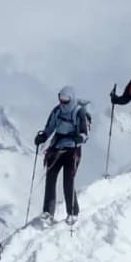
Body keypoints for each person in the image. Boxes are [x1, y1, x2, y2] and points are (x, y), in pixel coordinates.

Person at [34, 86, 93, 223]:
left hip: (72, 150)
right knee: (50, 177)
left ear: (71, 99)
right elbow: (49, 128)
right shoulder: (57, 111)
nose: (62, 103)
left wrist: (80, 138)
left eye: (66, 100)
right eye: (61, 99)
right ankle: (48, 212)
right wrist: (43, 137)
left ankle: (72, 213)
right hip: (57, 148)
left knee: (68, 180)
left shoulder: (79, 113)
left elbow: (85, 133)